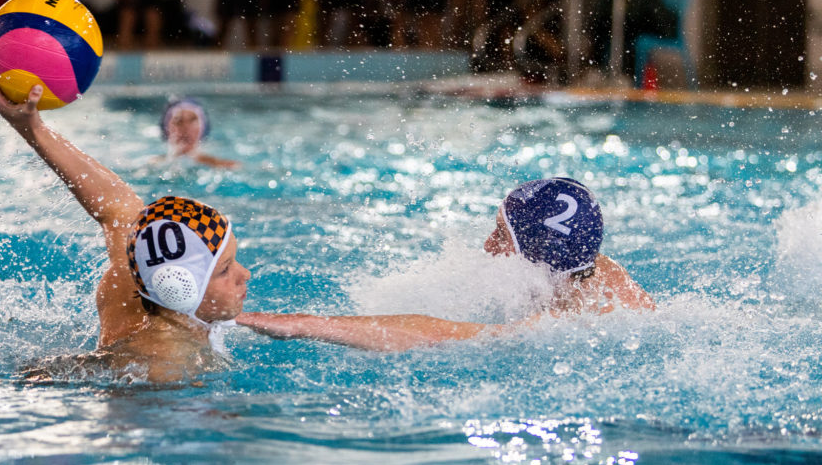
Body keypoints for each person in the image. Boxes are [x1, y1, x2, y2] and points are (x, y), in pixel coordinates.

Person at [0, 62, 251, 383]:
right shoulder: (164, 368)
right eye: (225, 268)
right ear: (180, 286)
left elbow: (117, 207)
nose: (244, 274)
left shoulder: (135, 271)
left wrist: (32, 126)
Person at [236, 178, 654, 352]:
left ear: (537, 257)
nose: (488, 246)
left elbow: (430, 335)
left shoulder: (562, 326)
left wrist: (306, 324)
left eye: (502, 236)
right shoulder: (599, 270)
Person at [587, 0, 676, 79]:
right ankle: (600, 69)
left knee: (625, 34)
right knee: (601, 31)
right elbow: (598, 17)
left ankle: (626, 75)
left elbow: (637, 15)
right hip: (629, 27)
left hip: (652, 27)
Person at [155, 98, 238, 169]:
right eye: (178, 121)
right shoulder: (154, 164)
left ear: (202, 128)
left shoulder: (223, 165)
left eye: (192, 120)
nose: (186, 127)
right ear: (167, 129)